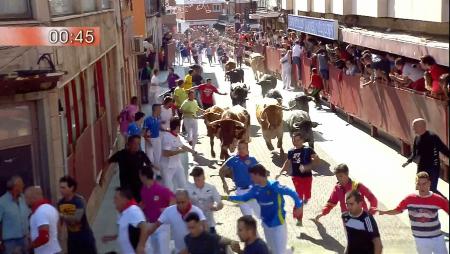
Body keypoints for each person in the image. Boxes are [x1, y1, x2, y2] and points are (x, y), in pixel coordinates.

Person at [223, 164, 303, 254]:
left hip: (278, 225)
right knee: (273, 251)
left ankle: (287, 251)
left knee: (279, 252)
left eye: (252, 176)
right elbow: (243, 198)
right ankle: (288, 251)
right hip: (266, 225)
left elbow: (292, 193)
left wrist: (298, 206)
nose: (251, 179)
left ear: (257, 175)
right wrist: (225, 198)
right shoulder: (255, 190)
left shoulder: (274, 186)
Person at [378, 172, 449, 254]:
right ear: (416, 185)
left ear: (429, 183)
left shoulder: (438, 199)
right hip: (420, 239)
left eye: (424, 184)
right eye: (419, 184)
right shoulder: (409, 199)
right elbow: (398, 210)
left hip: (437, 237)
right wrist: (383, 212)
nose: (421, 187)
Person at [145, 189, 207, 253]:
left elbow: (205, 226)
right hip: (179, 249)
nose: (180, 205)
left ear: (189, 200)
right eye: (178, 203)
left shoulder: (196, 211)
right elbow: (156, 225)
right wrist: (142, 241)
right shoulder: (169, 211)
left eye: (183, 202)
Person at [277, 132, 319, 225]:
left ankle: (307, 197)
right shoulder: (291, 151)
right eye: (293, 140)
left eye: (298, 140)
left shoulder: (308, 150)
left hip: (307, 177)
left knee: (307, 195)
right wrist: (280, 172)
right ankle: (299, 218)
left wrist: (307, 167)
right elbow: (287, 162)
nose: (295, 142)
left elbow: (317, 160)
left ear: (303, 141)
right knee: (299, 196)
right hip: (296, 177)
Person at [402, 118, 449, 197]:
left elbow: (443, 149)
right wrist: (408, 161)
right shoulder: (417, 138)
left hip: (433, 167)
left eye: (414, 127)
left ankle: (445, 202)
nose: (413, 129)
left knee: (432, 189)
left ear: (422, 126)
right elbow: (415, 152)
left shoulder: (432, 137)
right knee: (419, 188)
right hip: (421, 166)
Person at [219, 141, 260, 218]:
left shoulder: (252, 160)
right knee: (248, 218)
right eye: (239, 148)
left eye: (243, 148)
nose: (241, 150)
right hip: (241, 192)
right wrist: (224, 183)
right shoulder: (233, 160)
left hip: (253, 191)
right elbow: (221, 171)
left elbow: (261, 174)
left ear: (247, 149)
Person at [139, 165, 175, 254]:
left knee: (164, 251)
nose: (139, 177)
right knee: (152, 251)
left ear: (144, 176)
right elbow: (144, 202)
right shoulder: (143, 189)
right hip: (150, 225)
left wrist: (167, 210)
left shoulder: (160, 189)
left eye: (140, 175)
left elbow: (173, 199)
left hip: (162, 226)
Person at [57, 176, 97, 254]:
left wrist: (63, 216)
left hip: (85, 238)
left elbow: (77, 218)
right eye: (60, 187)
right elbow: (60, 223)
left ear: (71, 188)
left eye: (63, 188)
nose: (60, 190)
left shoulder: (79, 201)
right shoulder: (60, 203)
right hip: (72, 240)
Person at [102, 187, 147, 254]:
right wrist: (112, 237)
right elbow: (127, 231)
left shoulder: (133, 210)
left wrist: (141, 246)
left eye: (116, 198)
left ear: (124, 199)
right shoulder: (123, 212)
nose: (114, 201)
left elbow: (144, 227)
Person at [108, 135, 151, 201]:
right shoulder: (121, 154)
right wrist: (102, 177)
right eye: (134, 143)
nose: (137, 146)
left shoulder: (141, 154)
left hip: (139, 185)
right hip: (126, 186)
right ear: (128, 144)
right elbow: (108, 162)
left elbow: (149, 165)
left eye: (138, 144)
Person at [160, 118, 195, 191]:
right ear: (177, 127)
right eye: (179, 126)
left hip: (177, 164)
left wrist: (192, 151)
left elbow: (182, 146)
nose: (180, 128)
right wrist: (179, 151)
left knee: (183, 184)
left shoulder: (177, 136)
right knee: (169, 188)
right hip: (167, 166)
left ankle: (186, 200)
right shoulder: (166, 137)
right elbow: (165, 153)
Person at [24, 186, 61, 254]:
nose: (25, 201)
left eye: (26, 198)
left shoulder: (40, 211)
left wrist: (29, 247)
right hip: (54, 250)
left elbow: (44, 237)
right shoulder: (52, 208)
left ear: (33, 198)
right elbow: (58, 229)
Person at [186, 167, 223, 234]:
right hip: (195, 225)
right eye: (194, 178)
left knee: (212, 243)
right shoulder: (189, 188)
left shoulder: (211, 188)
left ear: (203, 177)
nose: (196, 181)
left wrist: (216, 207)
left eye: (198, 178)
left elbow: (220, 203)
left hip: (209, 223)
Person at [0, 176, 30, 254]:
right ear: (15, 186)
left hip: (25, 239)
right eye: (21, 184)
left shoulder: (24, 198)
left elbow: (30, 215)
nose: (23, 186)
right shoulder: (2, 202)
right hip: (10, 242)